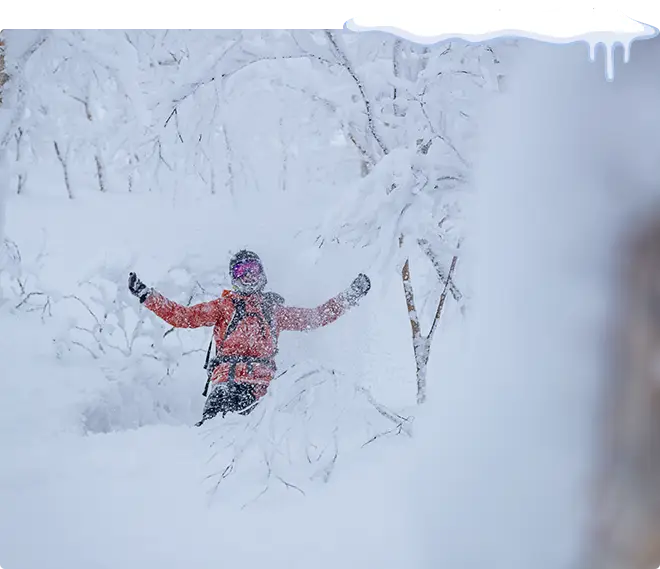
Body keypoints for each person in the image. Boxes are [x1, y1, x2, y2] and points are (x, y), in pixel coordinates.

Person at [128, 250, 370, 425]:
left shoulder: (273, 311)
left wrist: (349, 296)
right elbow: (184, 317)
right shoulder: (224, 307)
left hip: (259, 391)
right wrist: (148, 296)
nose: (248, 276)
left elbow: (315, 317)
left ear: (262, 274)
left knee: (248, 446)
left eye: (252, 270)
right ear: (234, 279)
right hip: (226, 385)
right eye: (241, 272)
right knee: (210, 437)